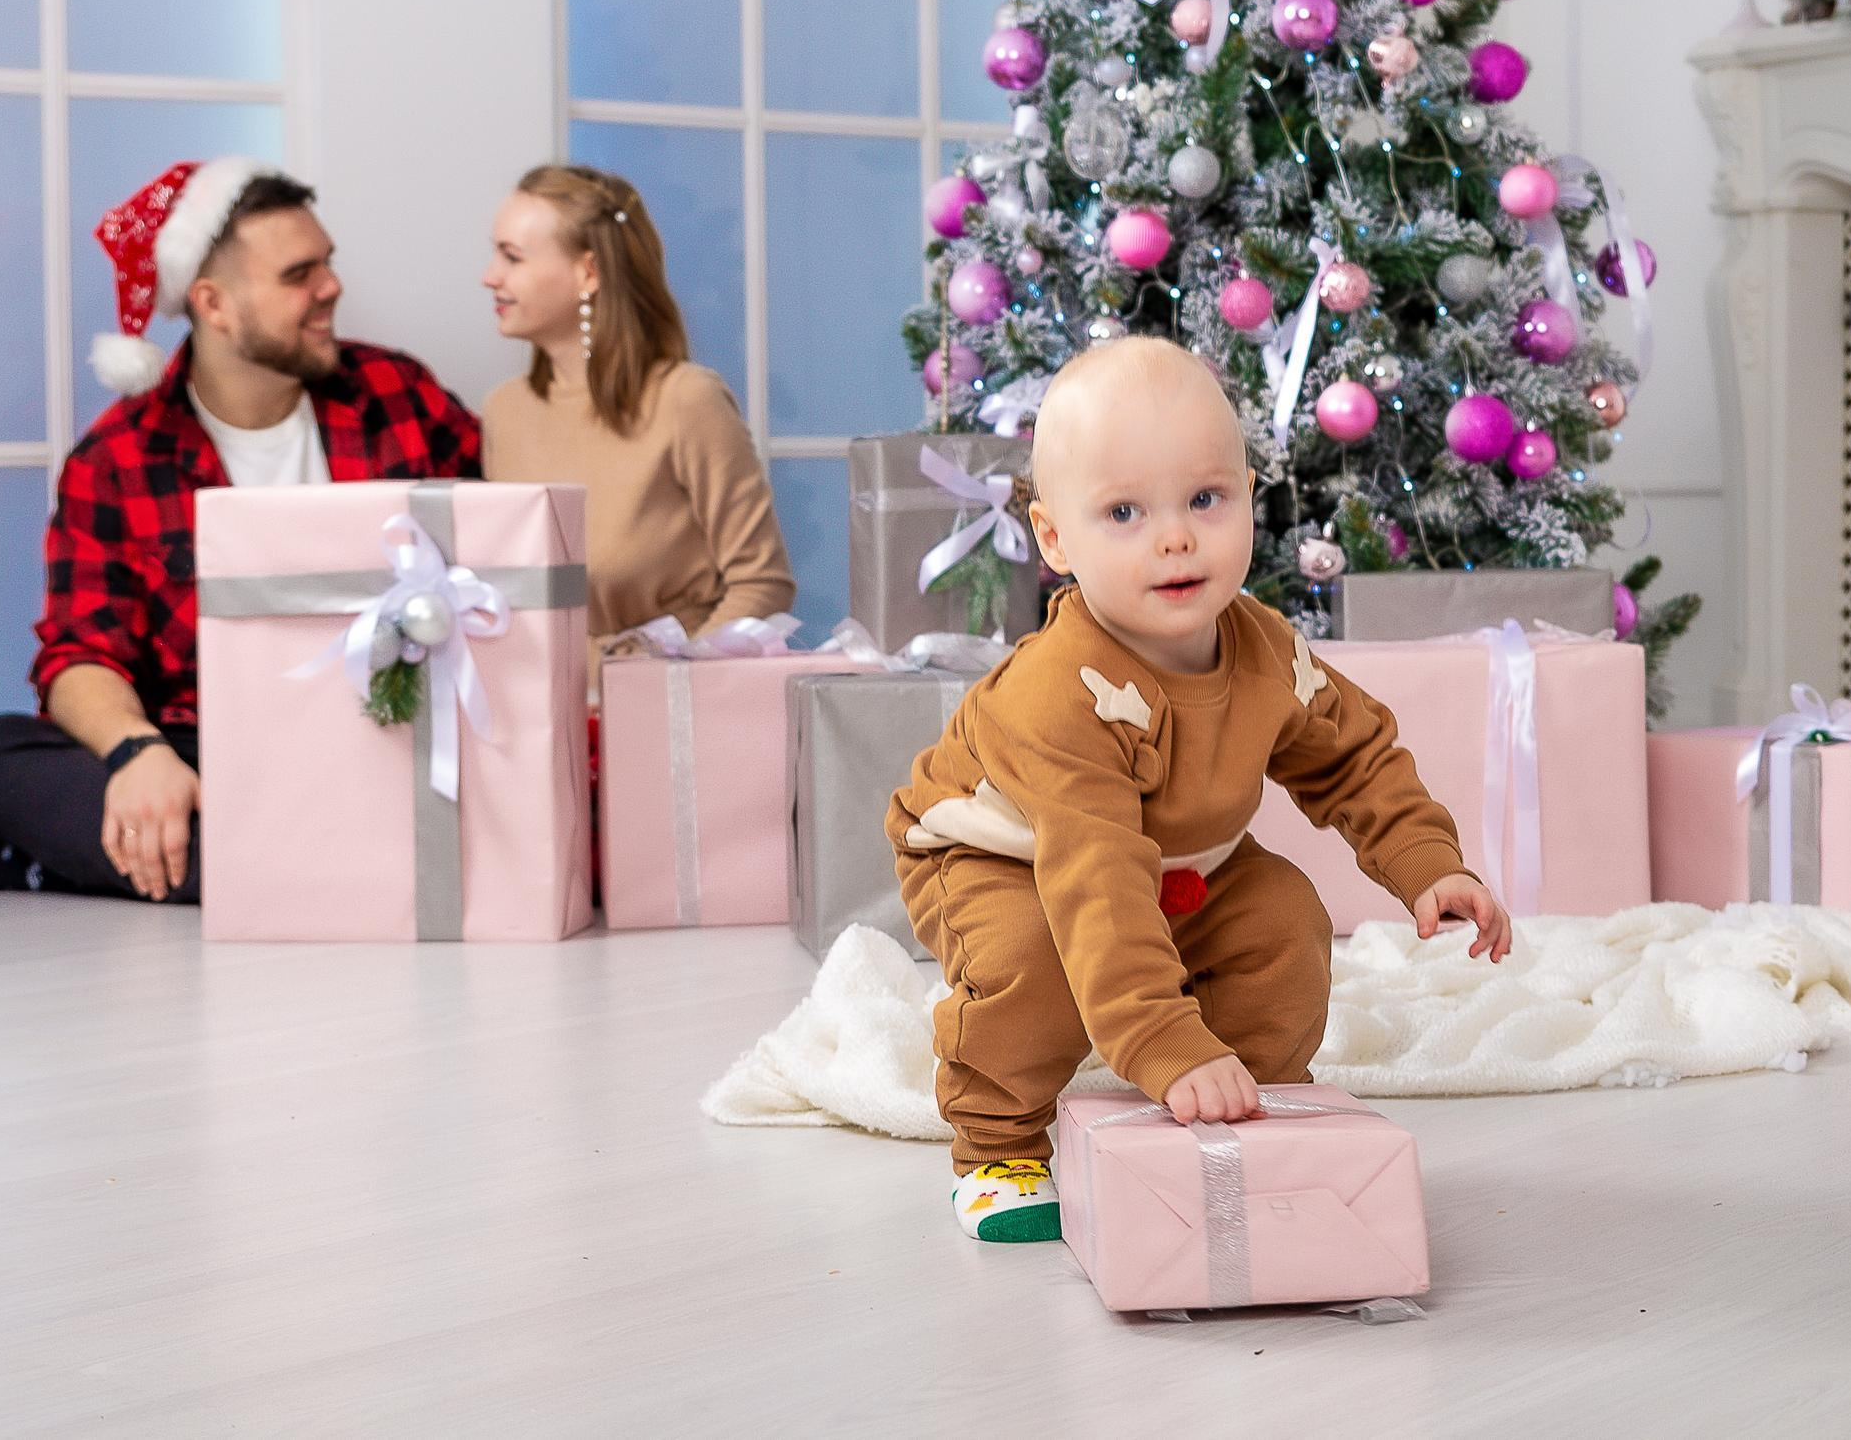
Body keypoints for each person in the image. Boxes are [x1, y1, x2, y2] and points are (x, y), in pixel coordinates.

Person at [885, 338, 1511, 1243]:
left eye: (1205, 499)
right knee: (1033, 956)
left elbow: (1354, 754)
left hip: (1178, 855)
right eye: (1126, 511)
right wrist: (1157, 1039)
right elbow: (1096, 879)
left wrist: (1428, 864)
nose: (1175, 536)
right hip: (1002, 851)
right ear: (1054, 537)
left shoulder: (1263, 648)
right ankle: (997, 1144)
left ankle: (1236, 1100)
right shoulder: (1059, 692)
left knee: (1282, 917)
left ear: (1250, 497)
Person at [0, 159, 482, 903]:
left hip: (387, 733)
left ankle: (83, 861)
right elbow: (79, 651)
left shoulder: (399, 396)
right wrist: (137, 752)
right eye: (299, 273)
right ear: (213, 302)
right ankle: (325, 860)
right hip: (212, 749)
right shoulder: (116, 457)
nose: (331, 287)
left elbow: (504, 552)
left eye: (327, 263)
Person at [478, 165, 792, 649]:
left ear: (588, 273)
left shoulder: (686, 401)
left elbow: (762, 585)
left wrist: (666, 688)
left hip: (672, 710)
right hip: (543, 711)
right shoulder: (504, 412)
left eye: (512, 257)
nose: (489, 277)